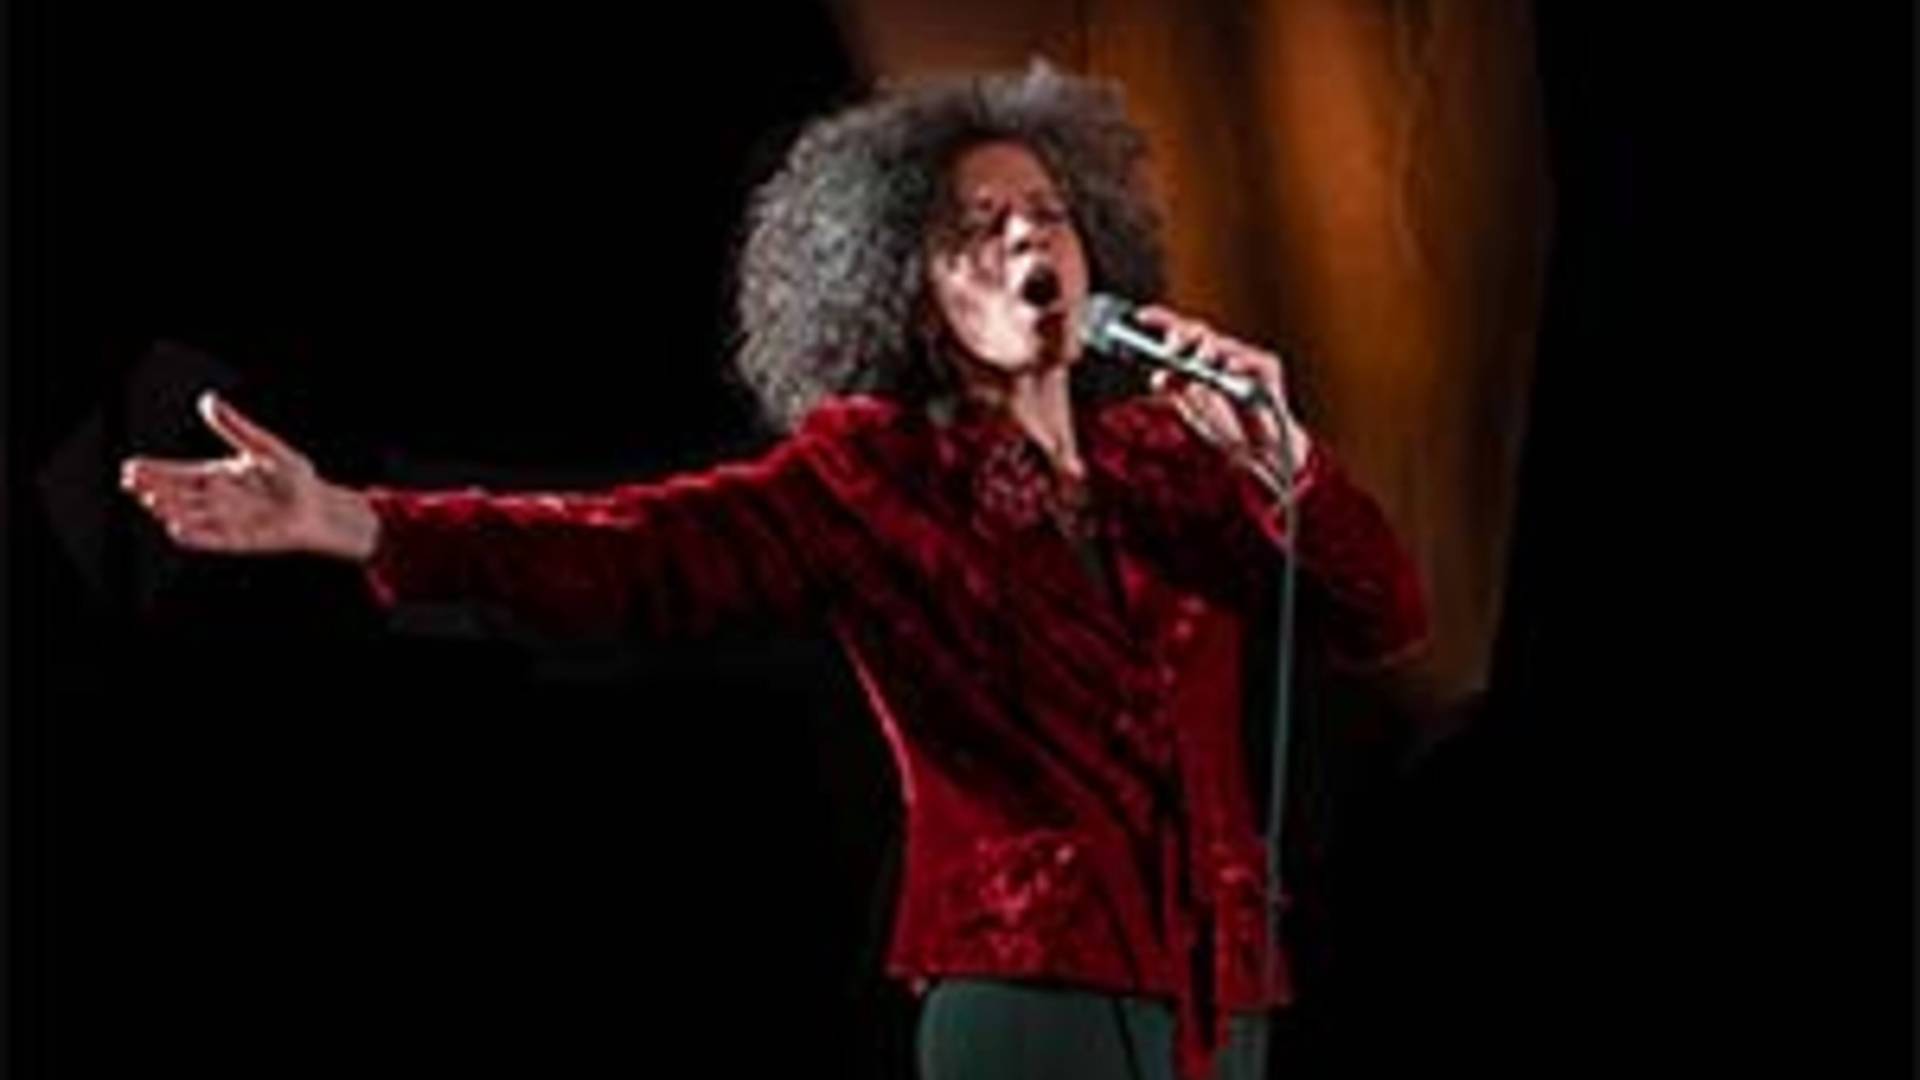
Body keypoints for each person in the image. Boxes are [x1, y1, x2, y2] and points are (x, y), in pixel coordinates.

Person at [120, 63, 1427, 1080]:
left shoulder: (1174, 462)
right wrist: (357, 520)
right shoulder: (869, 476)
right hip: (1036, 993)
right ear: (914, 291)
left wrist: (1287, 458)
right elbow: (629, 552)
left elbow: (1386, 617)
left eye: (1049, 214)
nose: (1029, 240)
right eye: (977, 227)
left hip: (1225, 995)